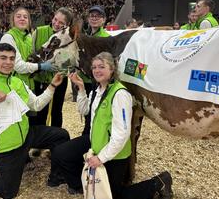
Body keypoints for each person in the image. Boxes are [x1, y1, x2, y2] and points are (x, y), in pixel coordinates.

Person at [51, 52, 173, 199]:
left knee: (113, 196)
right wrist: (81, 89)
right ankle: (81, 186)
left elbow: (122, 134)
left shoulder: (120, 94)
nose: (97, 70)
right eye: (94, 67)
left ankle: (158, 183)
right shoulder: (97, 90)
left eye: (102, 67)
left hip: (115, 154)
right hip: (98, 146)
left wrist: (101, 158)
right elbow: (85, 110)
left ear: (112, 69)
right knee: (62, 154)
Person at [0, 43, 70, 199]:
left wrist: (52, 86)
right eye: (3, 58)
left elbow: (36, 104)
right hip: (7, 148)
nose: (8, 62)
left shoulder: (18, 82)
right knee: (8, 193)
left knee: (61, 135)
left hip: (27, 135)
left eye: (11, 58)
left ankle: (56, 176)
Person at [31, 7, 73, 127]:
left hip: (59, 79)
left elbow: (68, 60)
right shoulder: (39, 31)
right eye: (55, 19)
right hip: (41, 79)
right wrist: (41, 66)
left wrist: (61, 71)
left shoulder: (69, 36)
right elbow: (33, 53)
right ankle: (40, 139)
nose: (56, 23)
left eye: (61, 23)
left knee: (56, 111)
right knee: (40, 111)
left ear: (67, 24)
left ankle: (56, 138)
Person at [0, 7, 53, 93]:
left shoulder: (29, 37)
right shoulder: (8, 38)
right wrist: (40, 66)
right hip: (13, 87)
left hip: (29, 85)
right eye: (18, 16)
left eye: (25, 17)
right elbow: (18, 66)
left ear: (29, 21)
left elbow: (33, 56)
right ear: (13, 20)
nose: (22, 19)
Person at [79, 5, 111, 135]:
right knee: (88, 109)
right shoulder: (84, 36)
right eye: (92, 16)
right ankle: (88, 134)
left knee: (96, 110)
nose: (94, 18)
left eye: (98, 16)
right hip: (86, 79)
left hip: (98, 81)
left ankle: (92, 135)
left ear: (103, 20)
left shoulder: (106, 37)